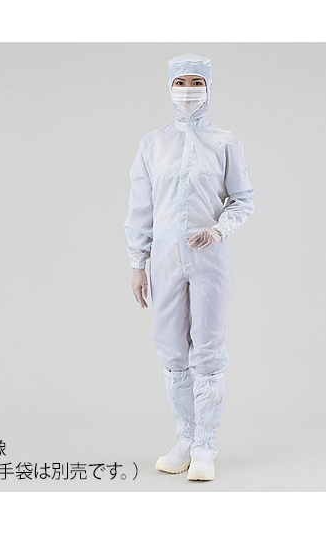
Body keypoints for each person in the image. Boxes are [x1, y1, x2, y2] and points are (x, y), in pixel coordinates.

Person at [124, 53, 255, 481]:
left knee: (208, 348)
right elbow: (140, 206)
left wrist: (218, 230)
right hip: (164, 258)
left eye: (196, 82)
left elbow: (243, 199)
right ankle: (184, 439)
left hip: (209, 258)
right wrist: (138, 262)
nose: (188, 90)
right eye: (180, 82)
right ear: (169, 87)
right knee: (171, 348)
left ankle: (205, 447)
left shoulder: (225, 142)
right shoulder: (153, 144)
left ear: (209, 87)